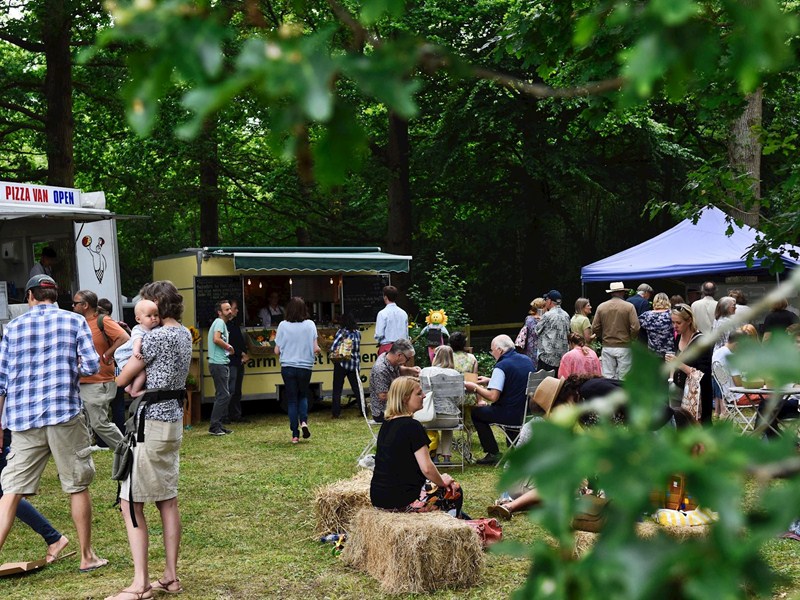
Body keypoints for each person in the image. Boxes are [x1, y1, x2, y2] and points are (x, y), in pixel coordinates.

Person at [0, 274, 107, 572]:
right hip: (64, 415)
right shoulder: (74, 322)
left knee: (11, 490)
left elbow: (1, 381)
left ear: (30, 296)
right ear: (56, 296)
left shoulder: (13, 328)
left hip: (23, 420)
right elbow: (90, 366)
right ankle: (87, 557)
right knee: (76, 486)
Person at [112, 280, 192, 599]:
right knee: (167, 500)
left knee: (130, 501)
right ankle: (171, 577)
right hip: (173, 419)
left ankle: (140, 584)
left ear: (157, 305)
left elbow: (123, 378)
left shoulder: (154, 337)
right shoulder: (184, 334)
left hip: (151, 423)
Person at [370, 377, 464, 516]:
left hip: (379, 499)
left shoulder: (387, 424)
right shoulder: (412, 426)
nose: (424, 396)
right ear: (405, 398)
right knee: (454, 489)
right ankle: (454, 525)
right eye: (419, 393)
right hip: (403, 500)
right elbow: (427, 468)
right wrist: (442, 481)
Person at [466, 334, 535, 465]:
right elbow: (516, 381)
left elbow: (493, 396)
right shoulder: (526, 360)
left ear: (500, 350)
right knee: (510, 402)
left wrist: (475, 387)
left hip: (510, 415)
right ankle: (516, 447)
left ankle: (492, 453)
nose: (492, 354)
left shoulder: (502, 366)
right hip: (527, 413)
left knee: (476, 413)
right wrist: (490, 380)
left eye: (492, 351)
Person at [74, 289, 130, 451]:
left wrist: (108, 353)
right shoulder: (78, 322)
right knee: (81, 424)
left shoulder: (102, 321)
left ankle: (127, 452)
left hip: (99, 381)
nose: (72, 306)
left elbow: (124, 337)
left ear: (85, 305)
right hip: (81, 380)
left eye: (75, 303)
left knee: (99, 423)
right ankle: (79, 460)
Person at [274, 297, 319, 444]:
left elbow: (276, 350)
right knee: (303, 396)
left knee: (292, 400)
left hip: (288, 366)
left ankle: (294, 434)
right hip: (305, 366)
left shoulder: (282, 325)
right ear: (304, 309)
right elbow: (315, 348)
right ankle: (304, 422)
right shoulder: (310, 325)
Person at [668, 304, 713, 425]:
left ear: (689, 321)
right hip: (677, 388)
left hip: (698, 395)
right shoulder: (678, 338)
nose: (675, 326)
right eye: (673, 323)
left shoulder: (701, 342)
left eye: (678, 323)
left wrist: (679, 364)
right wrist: (671, 380)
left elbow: (703, 374)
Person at [419, 346, 462, 465]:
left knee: (432, 423)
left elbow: (421, 392)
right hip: (450, 419)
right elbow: (459, 399)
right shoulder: (455, 373)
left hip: (428, 417)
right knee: (447, 428)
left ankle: (435, 455)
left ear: (435, 357)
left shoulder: (425, 371)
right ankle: (447, 456)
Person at [592, 282, 640, 379]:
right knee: (624, 378)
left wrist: (603, 336)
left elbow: (595, 327)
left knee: (608, 377)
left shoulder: (601, 307)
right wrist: (631, 338)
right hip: (624, 346)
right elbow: (636, 327)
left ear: (611, 293)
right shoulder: (629, 307)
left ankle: (609, 393)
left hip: (607, 345)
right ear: (622, 292)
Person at [114, 300, 161, 398]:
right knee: (141, 374)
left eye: (156, 315)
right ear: (139, 319)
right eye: (149, 316)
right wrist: (136, 352)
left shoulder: (155, 329)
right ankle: (134, 391)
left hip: (130, 355)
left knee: (138, 372)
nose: (154, 318)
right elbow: (137, 341)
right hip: (125, 356)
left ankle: (129, 387)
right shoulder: (138, 329)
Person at [98, 298, 130, 434]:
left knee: (110, 404)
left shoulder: (105, 326)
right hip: (121, 367)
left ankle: (109, 435)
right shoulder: (121, 325)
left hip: (111, 366)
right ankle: (121, 432)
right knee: (119, 404)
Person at [368, 339, 419, 421]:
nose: (407, 361)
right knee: (418, 410)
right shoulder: (380, 369)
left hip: (393, 405)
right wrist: (406, 395)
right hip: (383, 411)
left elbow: (398, 369)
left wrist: (410, 370)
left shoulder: (388, 357)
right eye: (408, 359)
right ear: (399, 355)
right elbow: (383, 396)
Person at [207, 299, 236, 436]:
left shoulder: (221, 323)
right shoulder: (219, 322)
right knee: (224, 395)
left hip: (219, 362)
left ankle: (218, 424)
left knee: (221, 394)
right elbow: (216, 339)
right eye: (226, 309)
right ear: (220, 312)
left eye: (230, 308)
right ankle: (214, 426)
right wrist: (229, 347)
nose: (230, 311)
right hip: (218, 363)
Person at [330, 313, 362, 419]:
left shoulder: (341, 332)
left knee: (337, 389)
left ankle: (336, 412)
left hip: (342, 363)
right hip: (354, 365)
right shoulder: (358, 333)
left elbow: (334, 347)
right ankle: (363, 410)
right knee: (357, 389)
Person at [534, 290, 571, 374]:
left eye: (546, 300)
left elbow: (537, 330)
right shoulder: (566, 315)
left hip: (547, 357)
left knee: (545, 384)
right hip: (562, 357)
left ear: (550, 301)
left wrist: (540, 320)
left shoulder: (547, 315)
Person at [226, 299, 249, 423]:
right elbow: (231, 343)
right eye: (234, 308)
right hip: (231, 361)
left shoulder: (234, 324)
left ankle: (236, 414)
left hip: (239, 361)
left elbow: (239, 340)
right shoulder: (224, 325)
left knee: (237, 389)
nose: (236, 310)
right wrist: (242, 353)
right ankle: (225, 415)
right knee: (231, 389)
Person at [639, 292, 676, 358]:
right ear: (667, 301)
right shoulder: (672, 314)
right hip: (669, 352)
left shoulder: (646, 315)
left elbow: (636, 327)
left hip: (653, 353)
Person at [374, 285, 409, 355]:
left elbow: (379, 334)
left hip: (387, 348)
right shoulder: (403, 313)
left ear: (385, 297)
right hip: (401, 349)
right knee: (401, 366)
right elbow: (406, 334)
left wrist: (378, 340)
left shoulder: (382, 313)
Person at [449, 331, 478, 407]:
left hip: (450, 398)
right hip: (468, 398)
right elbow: (473, 381)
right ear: (464, 344)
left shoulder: (448, 358)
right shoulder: (472, 358)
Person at [519, 298, 544, 365]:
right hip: (538, 348)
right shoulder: (541, 320)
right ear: (541, 307)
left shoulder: (528, 319)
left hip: (529, 348)